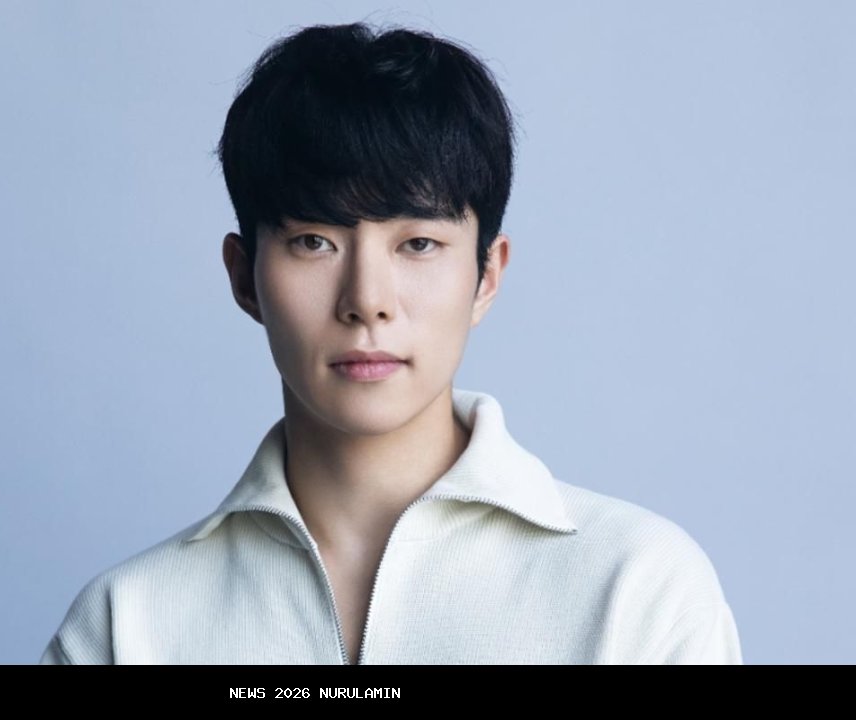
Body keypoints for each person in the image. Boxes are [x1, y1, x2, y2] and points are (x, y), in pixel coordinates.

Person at [38, 21, 742, 665]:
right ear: (244, 277)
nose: (367, 300)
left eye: (418, 243)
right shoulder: (127, 627)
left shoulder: (636, 591)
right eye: (313, 241)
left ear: (486, 276)